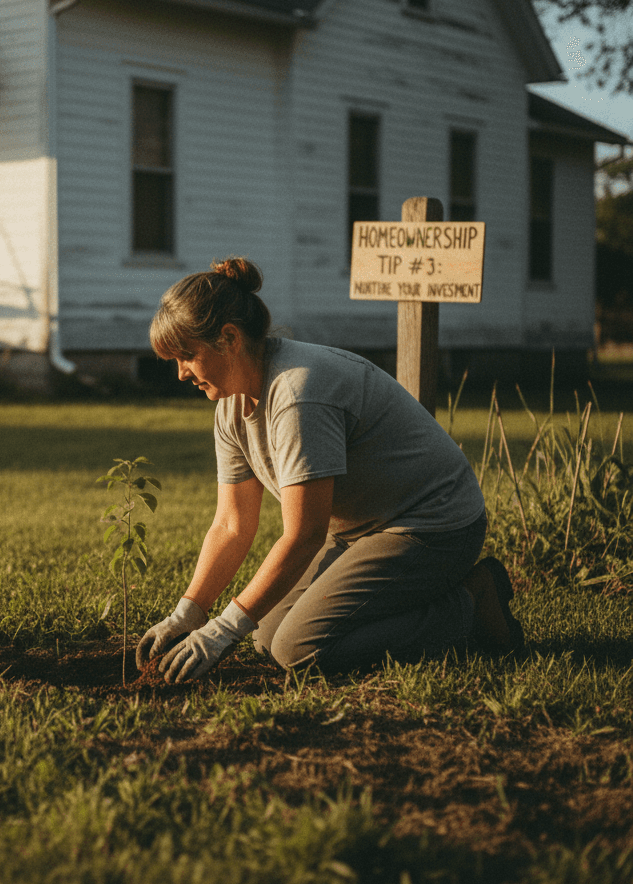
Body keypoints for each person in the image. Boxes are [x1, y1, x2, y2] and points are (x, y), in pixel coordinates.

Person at [135, 257, 524, 685]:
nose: (180, 373)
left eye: (187, 356)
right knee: (266, 635)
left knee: (298, 649)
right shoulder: (231, 405)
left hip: (432, 526)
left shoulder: (299, 394)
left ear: (228, 338)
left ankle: (469, 605)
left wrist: (222, 631)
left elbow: (304, 535)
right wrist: (187, 615)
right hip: (363, 530)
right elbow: (231, 524)